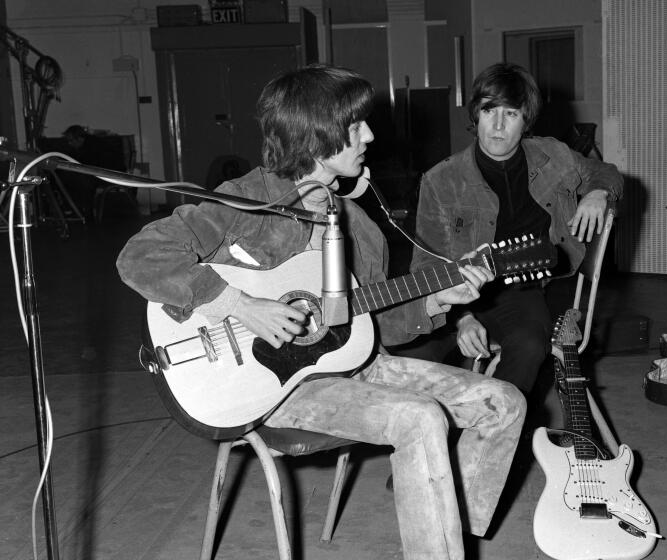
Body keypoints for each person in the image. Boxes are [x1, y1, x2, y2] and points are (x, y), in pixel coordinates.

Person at [116, 64, 526, 560]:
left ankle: (450, 536)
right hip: (277, 385)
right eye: (356, 126)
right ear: (317, 134)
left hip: (357, 365)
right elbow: (139, 256)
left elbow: (375, 325)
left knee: (504, 402)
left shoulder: (360, 226)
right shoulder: (243, 202)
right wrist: (241, 305)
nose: (370, 136)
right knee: (418, 418)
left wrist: (439, 298)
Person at [406, 62, 623, 400]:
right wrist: (463, 317)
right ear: (476, 114)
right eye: (489, 110)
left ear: (526, 121)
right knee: (410, 356)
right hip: (453, 293)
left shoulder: (553, 156)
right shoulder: (441, 180)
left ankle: (498, 428)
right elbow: (425, 264)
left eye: (511, 114)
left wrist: (599, 192)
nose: (497, 125)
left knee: (528, 344)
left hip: (521, 291)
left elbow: (605, 172)